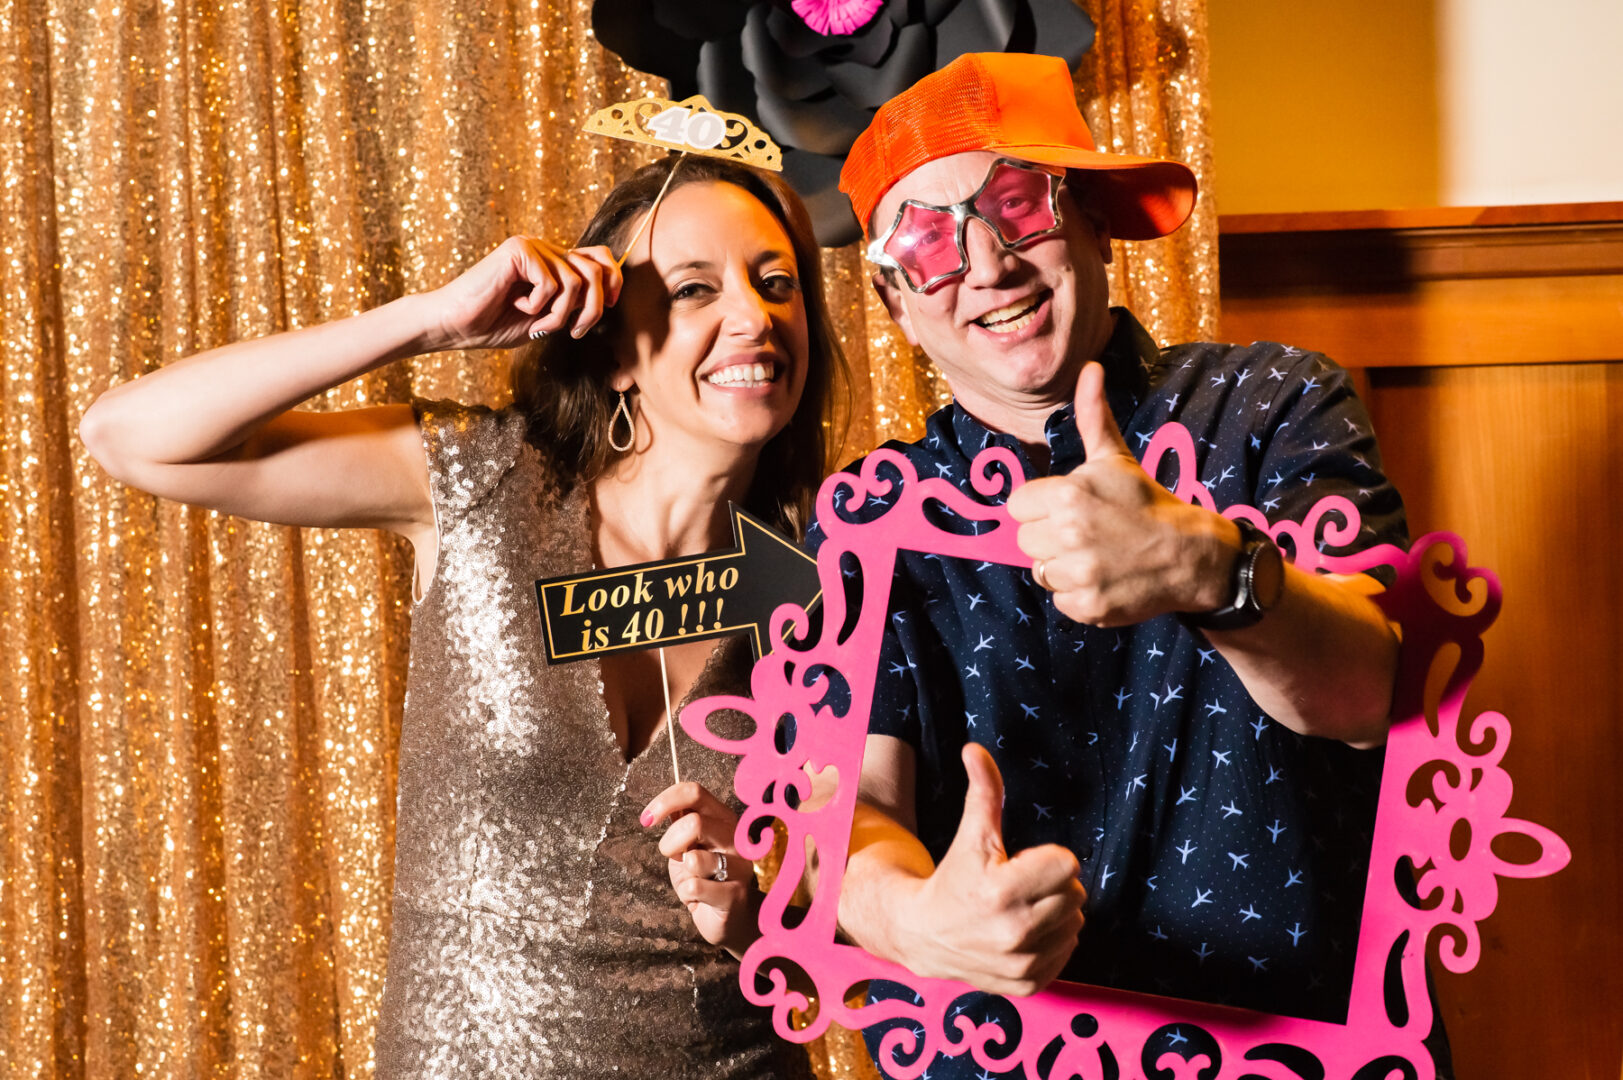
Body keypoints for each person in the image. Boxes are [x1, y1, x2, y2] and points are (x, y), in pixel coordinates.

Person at [79, 153, 838, 1079]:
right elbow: (131, 438)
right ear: (612, 350)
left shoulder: (820, 585)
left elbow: (842, 925)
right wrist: (431, 320)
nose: (752, 318)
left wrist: (748, 918)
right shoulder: (481, 481)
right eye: (691, 289)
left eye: (776, 285)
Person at [814, 53, 1450, 1075]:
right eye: (930, 240)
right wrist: (913, 917)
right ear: (895, 299)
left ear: (1096, 221)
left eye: (1018, 204)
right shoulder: (874, 514)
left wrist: (1221, 573)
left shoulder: (1273, 406)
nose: (986, 264)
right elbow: (847, 809)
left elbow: (1376, 689)